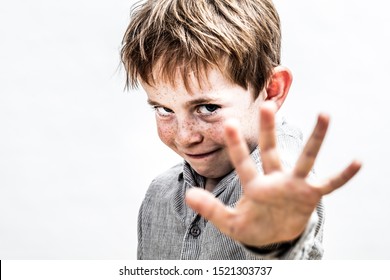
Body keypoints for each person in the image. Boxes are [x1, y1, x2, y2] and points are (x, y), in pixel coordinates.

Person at [120, 0, 361, 260]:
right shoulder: (160, 194)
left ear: (271, 90)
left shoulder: (279, 177)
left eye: (208, 108)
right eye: (164, 110)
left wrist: (275, 234)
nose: (185, 137)